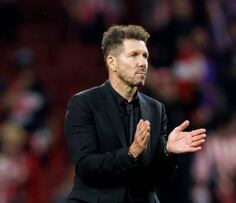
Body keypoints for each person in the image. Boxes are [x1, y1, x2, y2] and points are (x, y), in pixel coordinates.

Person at [64, 24, 207, 203]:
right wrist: (131, 154)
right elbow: (86, 166)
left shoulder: (156, 109)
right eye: (133, 55)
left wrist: (168, 153)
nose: (142, 63)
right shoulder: (84, 104)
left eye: (145, 56)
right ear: (112, 62)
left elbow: (160, 179)